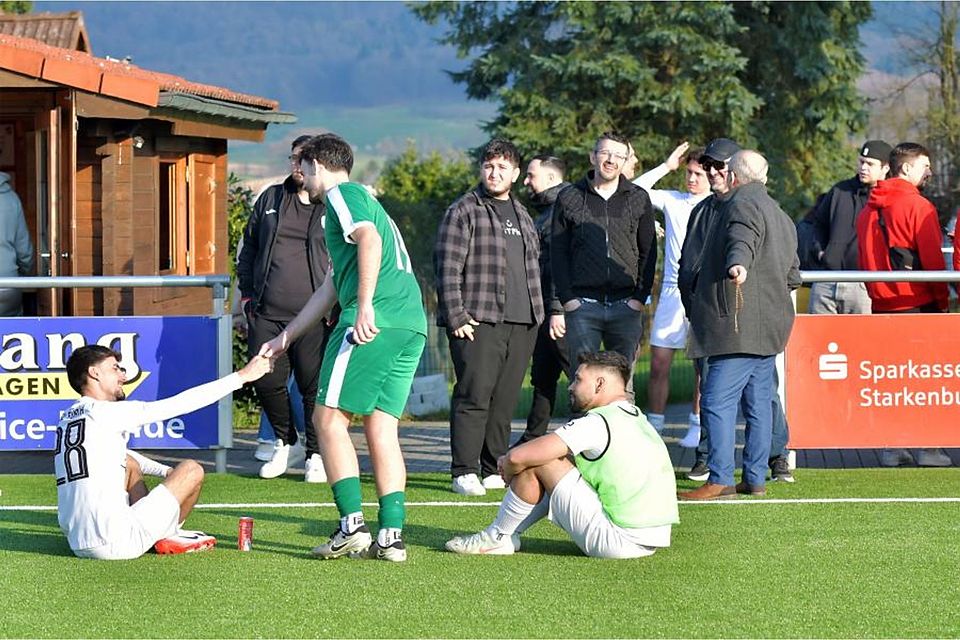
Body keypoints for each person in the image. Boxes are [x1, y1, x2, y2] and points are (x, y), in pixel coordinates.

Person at [260, 133, 427, 562]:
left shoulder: (342, 195)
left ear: (316, 163)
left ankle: (351, 527)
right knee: (381, 426)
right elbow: (332, 286)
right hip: (410, 323)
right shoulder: (362, 201)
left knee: (328, 417)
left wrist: (366, 305)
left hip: (377, 318)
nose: (300, 174)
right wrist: (287, 336)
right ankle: (391, 536)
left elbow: (368, 240)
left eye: (303, 165)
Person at [445, 351, 678, 559]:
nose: (571, 386)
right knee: (555, 459)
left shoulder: (597, 422)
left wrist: (509, 467)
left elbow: (519, 457)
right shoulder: (637, 416)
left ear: (599, 384)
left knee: (541, 460)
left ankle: (496, 537)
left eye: (578, 380)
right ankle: (506, 534)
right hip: (650, 540)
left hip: (618, 541)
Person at [54, 345, 272, 560]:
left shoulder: (68, 418)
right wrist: (242, 376)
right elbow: (180, 404)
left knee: (129, 463)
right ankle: (167, 535)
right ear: (95, 373)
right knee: (191, 470)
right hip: (117, 543)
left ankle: (156, 529)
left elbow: (120, 454)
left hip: (78, 543)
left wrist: (166, 472)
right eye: (115, 368)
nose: (123, 375)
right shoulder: (107, 412)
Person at [678, 150, 801, 501]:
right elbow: (793, 274)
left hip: (737, 324)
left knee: (716, 399)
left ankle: (718, 479)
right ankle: (755, 478)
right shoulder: (781, 214)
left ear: (734, 176)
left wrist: (738, 265)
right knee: (760, 403)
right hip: (771, 326)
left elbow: (741, 240)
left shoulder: (739, 206)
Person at [435, 139, 544, 496]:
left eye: (502, 167)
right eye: (488, 166)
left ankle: (492, 465)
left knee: (505, 398)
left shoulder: (523, 214)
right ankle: (463, 470)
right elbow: (446, 268)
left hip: (522, 321)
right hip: (478, 320)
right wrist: (457, 316)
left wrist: (537, 315)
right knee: (474, 394)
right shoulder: (463, 210)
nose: (494, 173)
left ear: (515, 173)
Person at [237, 135, 331, 482]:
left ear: (315, 165)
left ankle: (316, 454)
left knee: (312, 386)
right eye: (292, 158)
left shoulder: (331, 206)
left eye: (302, 160)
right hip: (267, 312)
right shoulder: (271, 198)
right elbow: (247, 250)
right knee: (266, 380)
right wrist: (247, 298)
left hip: (316, 316)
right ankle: (285, 440)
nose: (295, 166)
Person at [856, 142, 951, 468]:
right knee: (924, 379)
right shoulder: (918, 206)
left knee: (892, 379)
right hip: (917, 302)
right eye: (925, 165)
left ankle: (892, 447)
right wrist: (941, 303)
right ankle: (928, 448)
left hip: (881, 304)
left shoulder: (868, 209)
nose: (929, 172)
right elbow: (933, 263)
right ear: (907, 169)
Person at [551, 131, 656, 401]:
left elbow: (649, 252)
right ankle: (588, 443)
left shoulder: (638, 198)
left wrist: (639, 298)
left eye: (618, 156)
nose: (611, 160)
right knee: (584, 384)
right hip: (583, 306)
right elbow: (558, 253)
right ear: (593, 156)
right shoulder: (569, 197)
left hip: (626, 306)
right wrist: (568, 299)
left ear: (625, 161)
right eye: (605, 153)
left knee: (623, 386)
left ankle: (623, 442)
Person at [633, 142, 709, 445]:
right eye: (689, 173)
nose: (691, 179)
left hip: (704, 294)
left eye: (698, 174)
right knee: (659, 363)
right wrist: (667, 166)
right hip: (671, 292)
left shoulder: (717, 203)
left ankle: (696, 424)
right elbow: (635, 189)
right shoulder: (673, 200)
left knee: (702, 365)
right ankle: (655, 426)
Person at [515, 155, 570, 447]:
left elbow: (562, 265)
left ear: (550, 179)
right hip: (544, 310)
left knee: (577, 376)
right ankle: (534, 435)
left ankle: (590, 441)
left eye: (531, 175)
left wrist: (558, 308)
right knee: (543, 376)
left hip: (562, 312)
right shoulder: (544, 213)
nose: (526, 181)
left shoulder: (565, 209)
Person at [804, 140, 892, 314]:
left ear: (886, 168)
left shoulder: (890, 199)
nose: (863, 167)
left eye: (870, 164)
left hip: (864, 285)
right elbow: (818, 224)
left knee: (862, 340)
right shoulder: (839, 191)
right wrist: (821, 252)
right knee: (818, 340)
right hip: (826, 280)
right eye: (861, 162)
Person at [0, 171, 33, 316]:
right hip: (7, 282)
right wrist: (24, 274)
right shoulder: (11, 199)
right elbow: (24, 250)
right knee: (11, 331)